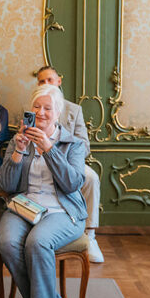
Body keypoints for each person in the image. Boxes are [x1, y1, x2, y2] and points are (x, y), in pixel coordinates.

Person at [0, 83, 88, 298]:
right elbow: (6, 184)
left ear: (58, 113)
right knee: (7, 243)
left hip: (62, 210)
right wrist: (18, 151)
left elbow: (72, 183)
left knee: (37, 243)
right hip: (23, 208)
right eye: (36, 107)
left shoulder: (72, 144)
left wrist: (49, 148)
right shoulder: (20, 140)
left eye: (47, 108)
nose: (40, 112)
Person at [36, 65, 104, 263]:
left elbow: (84, 144)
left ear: (59, 81)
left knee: (90, 177)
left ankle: (90, 236)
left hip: (70, 160)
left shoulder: (74, 110)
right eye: (42, 81)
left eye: (50, 79)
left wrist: (63, 154)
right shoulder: (35, 108)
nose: (47, 84)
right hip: (40, 158)